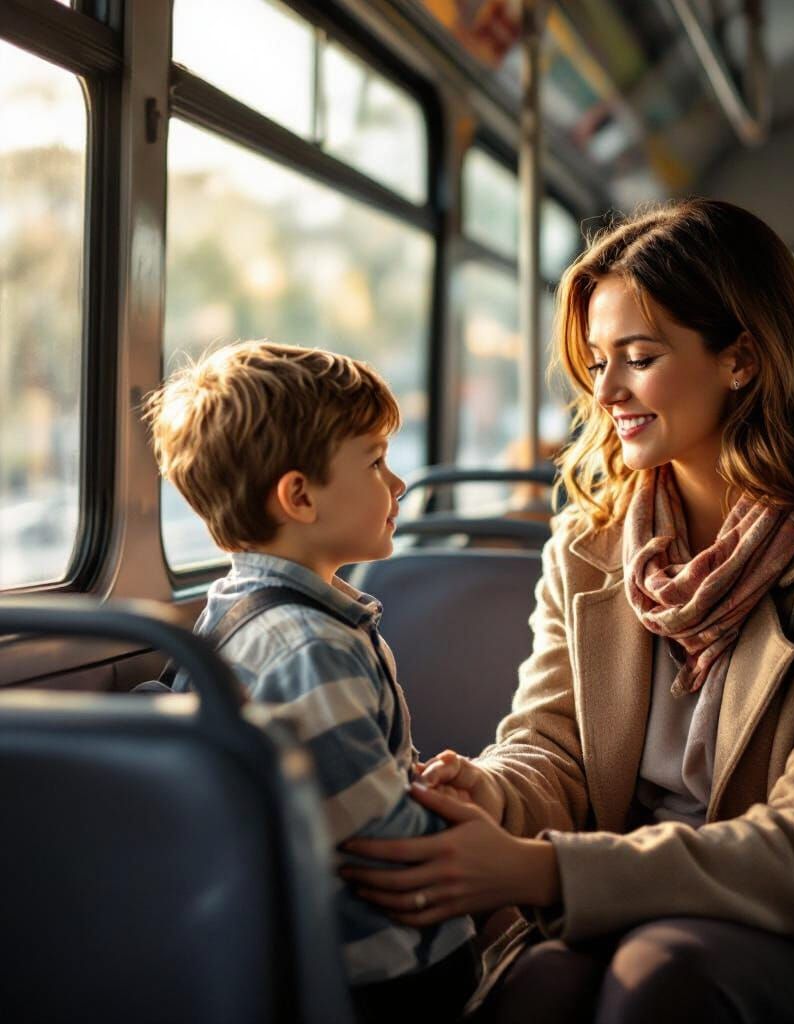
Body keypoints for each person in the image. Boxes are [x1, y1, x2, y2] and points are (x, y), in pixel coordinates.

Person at [340, 201, 794, 1024]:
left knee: (666, 978)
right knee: (538, 990)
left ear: (742, 360)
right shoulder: (590, 542)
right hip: (625, 898)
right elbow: (552, 750)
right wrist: (491, 792)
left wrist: (541, 873)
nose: (604, 391)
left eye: (638, 358)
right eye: (596, 361)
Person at [145, 341, 478, 1024]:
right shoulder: (310, 648)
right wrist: (473, 824)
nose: (399, 485)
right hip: (384, 974)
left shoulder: (230, 613)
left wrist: (415, 780)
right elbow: (389, 849)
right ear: (299, 496)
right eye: (376, 461)